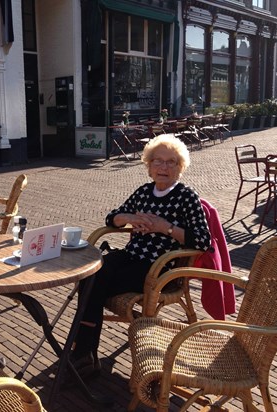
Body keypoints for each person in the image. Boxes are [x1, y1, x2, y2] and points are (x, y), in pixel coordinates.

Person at [71, 134, 212, 378]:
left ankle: (82, 351)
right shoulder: (145, 192)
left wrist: (164, 227)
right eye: (157, 161)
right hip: (131, 257)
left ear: (180, 167)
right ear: (149, 165)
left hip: (159, 266)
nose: (163, 167)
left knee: (94, 283)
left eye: (171, 162)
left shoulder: (187, 197)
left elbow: (203, 241)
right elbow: (112, 218)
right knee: (90, 274)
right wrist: (130, 219)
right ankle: (84, 352)